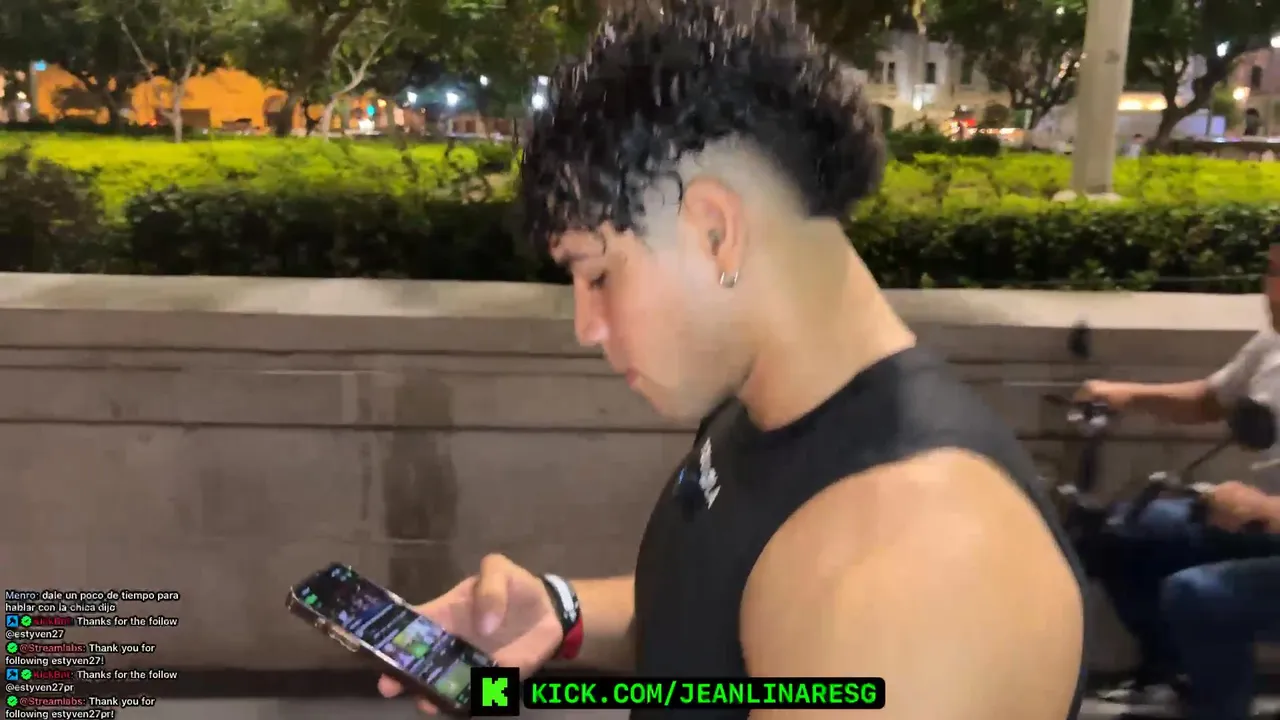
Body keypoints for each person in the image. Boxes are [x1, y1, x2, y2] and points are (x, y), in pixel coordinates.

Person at [379, 2, 1088, 719]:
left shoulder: (913, 577)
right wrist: (561, 614)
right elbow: (725, 625)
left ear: (716, 232)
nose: (587, 327)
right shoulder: (766, 408)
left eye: (598, 275)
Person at [1075, 249, 1280, 719]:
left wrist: (1268, 510)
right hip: (1266, 532)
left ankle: (1218, 710)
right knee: (1125, 531)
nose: (1270, 291)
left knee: (1201, 593)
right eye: (1272, 271)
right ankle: (1170, 678)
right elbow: (1211, 399)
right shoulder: (1273, 342)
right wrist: (1127, 394)